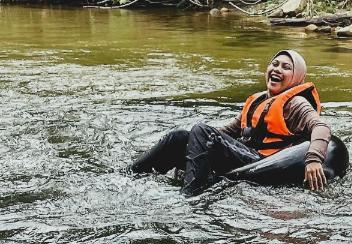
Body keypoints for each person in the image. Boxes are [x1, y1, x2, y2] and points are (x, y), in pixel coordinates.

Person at [129, 50, 331, 196]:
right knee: (180, 136)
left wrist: (313, 159)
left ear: (296, 78)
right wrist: (192, 141)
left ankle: (190, 196)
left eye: (286, 67)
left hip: (264, 163)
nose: (277, 69)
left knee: (200, 130)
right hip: (245, 155)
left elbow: (321, 127)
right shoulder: (258, 100)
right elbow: (226, 131)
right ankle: (130, 174)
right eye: (274, 64)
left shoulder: (295, 103)